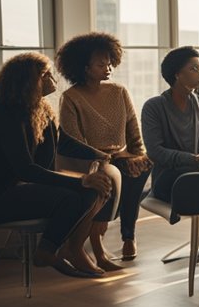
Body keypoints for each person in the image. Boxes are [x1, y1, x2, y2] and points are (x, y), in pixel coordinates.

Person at [0, 53, 117, 277]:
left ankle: (72, 249)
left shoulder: (41, 109)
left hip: (23, 188)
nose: (53, 79)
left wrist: (100, 155)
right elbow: (25, 169)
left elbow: (64, 143)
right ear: (27, 81)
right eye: (45, 75)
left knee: (95, 189)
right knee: (73, 195)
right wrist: (80, 179)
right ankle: (48, 251)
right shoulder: (2, 114)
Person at [56, 32, 152, 264]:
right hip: (89, 161)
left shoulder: (119, 91)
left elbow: (132, 127)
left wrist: (138, 155)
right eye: (101, 64)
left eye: (109, 63)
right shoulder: (71, 98)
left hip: (119, 156)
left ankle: (128, 235)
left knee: (144, 165)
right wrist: (101, 159)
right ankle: (97, 244)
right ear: (84, 67)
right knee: (109, 177)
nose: (108, 68)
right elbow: (73, 140)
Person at [141, 46, 199, 202]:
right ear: (177, 74)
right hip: (168, 178)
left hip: (196, 172)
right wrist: (193, 161)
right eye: (194, 69)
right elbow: (155, 152)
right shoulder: (153, 106)